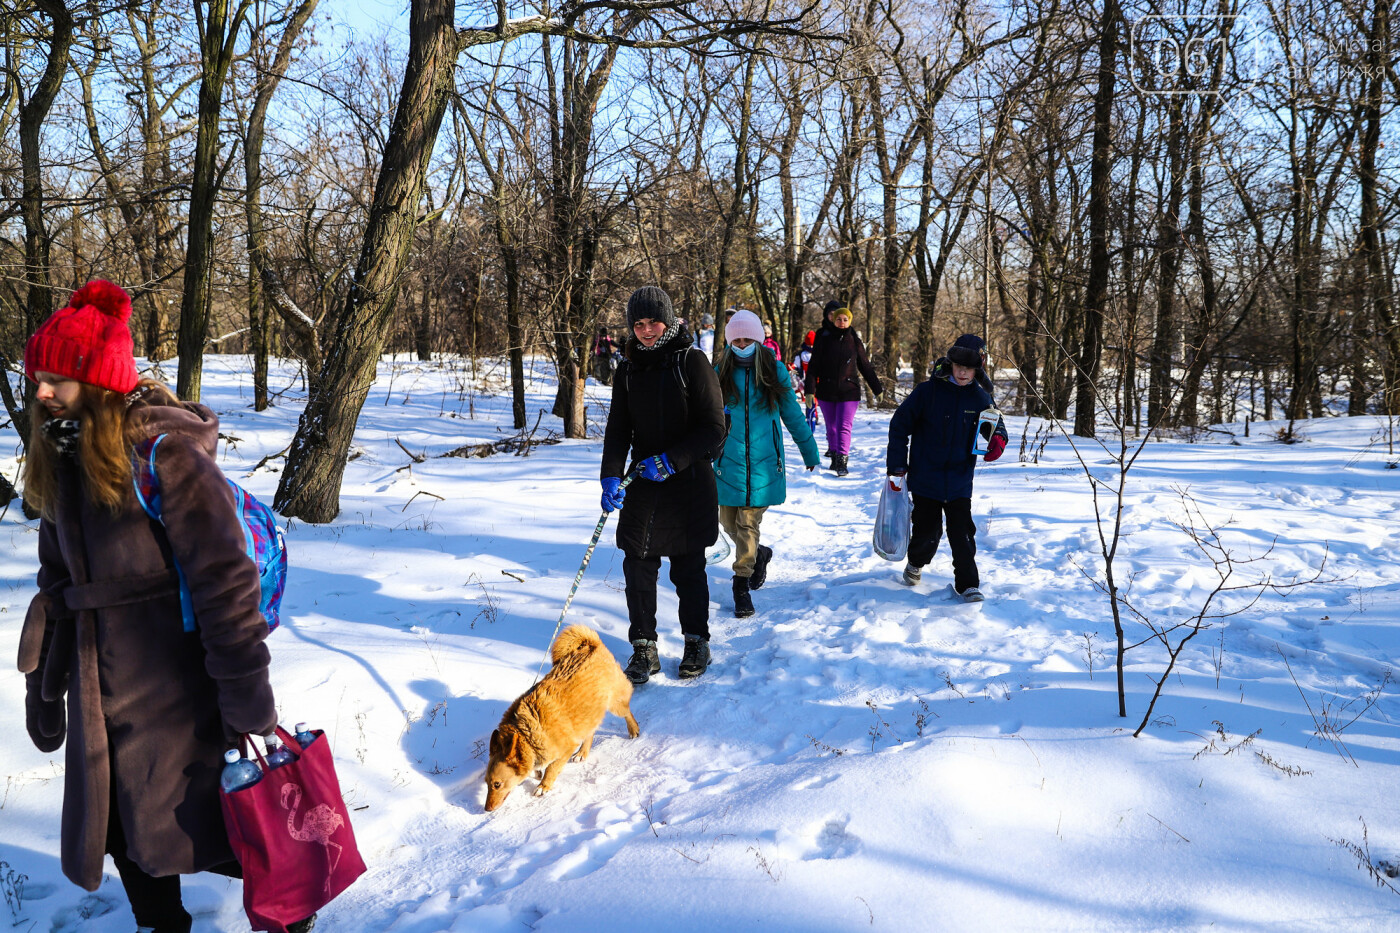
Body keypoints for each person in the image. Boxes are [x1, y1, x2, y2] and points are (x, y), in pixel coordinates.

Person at [16, 281, 315, 933]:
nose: (40, 391)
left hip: (180, 690)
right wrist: (45, 682)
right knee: (126, 828)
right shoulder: (63, 452)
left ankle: (292, 918)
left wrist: (245, 694)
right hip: (105, 695)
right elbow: (55, 574)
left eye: (54, 378)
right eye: (38, 376)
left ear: (94, 380)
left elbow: (224, 578)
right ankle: (164, 926)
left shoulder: (162, 453)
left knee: (224, 821)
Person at [600, 286, 726, 683]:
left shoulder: (692, 362)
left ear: (668, 321)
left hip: (687, 479)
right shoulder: (628, 369)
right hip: (643, 481)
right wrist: (609, 476)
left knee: (688, 567)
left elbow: (714, 429)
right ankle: (644, 648)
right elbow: (618, 429)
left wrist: (672, 460)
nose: (646, 331)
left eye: (653, 322)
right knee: (636, 564)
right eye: (638, 324)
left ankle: (695, 641)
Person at [885, 333, 1008, 602]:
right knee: (927, 533)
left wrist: (998, 439)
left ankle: (968, 584)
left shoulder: (980, 397)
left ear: (979, 368)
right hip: (925, 477)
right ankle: (916, 562)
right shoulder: (927, 393)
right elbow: (899, 424)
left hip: (959, 480)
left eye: (970, 368)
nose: (963, 373)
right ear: (950, 363)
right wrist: (896, 463)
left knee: (962, 533)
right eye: (959, 366)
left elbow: (996, 423)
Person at [713, 310, 820, 617]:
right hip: (727, 460)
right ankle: (759, 553)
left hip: (763, 463)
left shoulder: (773, 371)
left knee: (748, 523)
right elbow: (705, 413)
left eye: (748, 339)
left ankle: (741, 585)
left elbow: (791, 413)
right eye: (737, 339)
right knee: (728, 522)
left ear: (759, 340)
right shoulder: (719, 369)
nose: (742, 344)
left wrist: (808, 450)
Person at [803, 304, 882, 476]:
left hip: (849, 390)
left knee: (844, 426)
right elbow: (814, 365)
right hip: (826, 389)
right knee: (831, 427)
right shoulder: (823, 337)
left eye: (845, 319)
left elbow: (865, 365)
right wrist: (809, 390)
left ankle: (842, 461)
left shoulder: (854, 339)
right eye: (838, 318)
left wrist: (877, 389)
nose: (841, 322)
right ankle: (834, 454)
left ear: (850, 321)